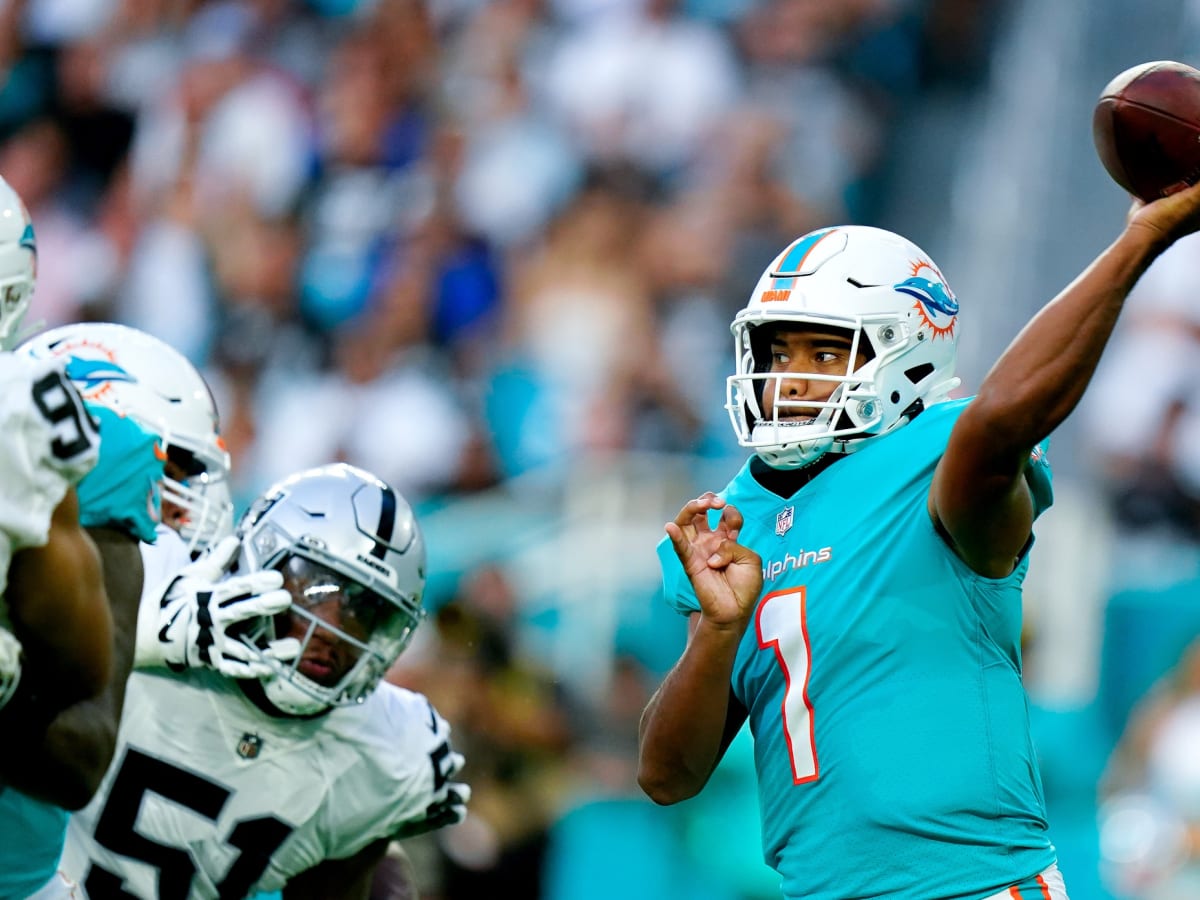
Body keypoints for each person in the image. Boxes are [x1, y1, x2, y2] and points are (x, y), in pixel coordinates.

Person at [636, 181, 1200, 900]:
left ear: (907, 353)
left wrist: (1138, 243)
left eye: (824, 352)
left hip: (971, 886)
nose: (792, 379)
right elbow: (666, 777)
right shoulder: (734, 520)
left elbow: (1000, 425)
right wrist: (717, 633)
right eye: (780, 353)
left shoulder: (941, 464)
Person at [59, 462, 470, 898]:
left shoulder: (388, 752)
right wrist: (133, 641)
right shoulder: (152, 588)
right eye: (317, 588)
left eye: (365, 610)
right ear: (258, 555)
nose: (333, 630)